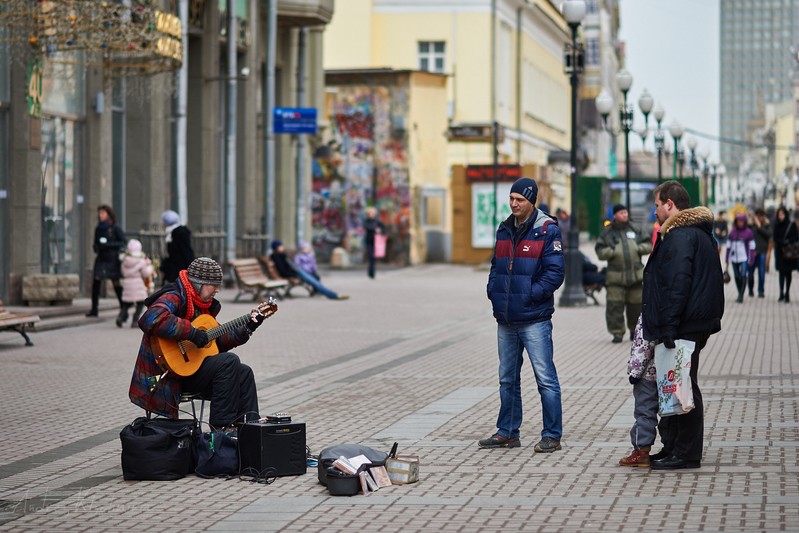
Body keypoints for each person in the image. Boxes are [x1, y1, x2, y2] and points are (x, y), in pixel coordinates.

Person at [129, 257, 268, 429]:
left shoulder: (203, 305)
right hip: (166, 375)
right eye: (213, 284)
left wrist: (248, 327)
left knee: (244, 372)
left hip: (190, 370)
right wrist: (192, 332)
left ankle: (251, 428)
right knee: (229, 361)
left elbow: (219, 341)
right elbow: (150, 318)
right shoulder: (174, 296)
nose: (217, 290)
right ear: (198, 283)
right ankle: (222, 429)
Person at [642, 180, 724, 470]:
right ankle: (673, 447)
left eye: (657, 205)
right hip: (693, 321)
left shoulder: (680, 236)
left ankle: (686, 453)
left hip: (684, 323)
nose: (655, 211)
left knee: (683, 385)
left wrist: (669, 327)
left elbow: (677, 285)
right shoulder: (698, 234)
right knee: (675, 383)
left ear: (670, 204)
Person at [480, 177, 565, 453]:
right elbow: (496, 266)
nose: (514, 204)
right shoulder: (504, 229)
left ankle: (552, 434)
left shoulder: (546, 230)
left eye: (520, 200)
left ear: (532, 202)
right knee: (507, 378)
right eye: (512, 198)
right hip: (505, 319)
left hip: (534, 319)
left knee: (545, 378)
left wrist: (530, 294)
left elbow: (555, 273)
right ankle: (507, 432)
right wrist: (493, 290)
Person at [595, 204, 652, 343]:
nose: (624, 215)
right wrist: (613, 252)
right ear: (615, 215)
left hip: (635, 275)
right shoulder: (607, 232)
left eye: (626, 212)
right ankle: (617, 333)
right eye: (621, 213)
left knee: (636, 306)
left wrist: (638, 248)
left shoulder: (636, 229)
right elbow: (600, 251)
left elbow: (648, 244)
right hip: (616, 276)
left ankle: (635, 331)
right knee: (614, 306)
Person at [618, 314, 658, 468]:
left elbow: (643, 345)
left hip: (646, 374)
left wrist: (635, 372)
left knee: (644, 412)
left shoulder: (649, 314)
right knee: (667, 413)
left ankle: (641, 451)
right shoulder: (669, 310)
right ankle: (670, 447)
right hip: (665, 371)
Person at [270, 241, 349, 300]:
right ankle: (333, 295)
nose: (282, 247)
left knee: (315, 278)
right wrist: (294, 274)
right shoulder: (277, 256)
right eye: (280, 246)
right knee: (315, 282)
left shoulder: (282, 255)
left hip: (297, 271)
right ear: (277, 247)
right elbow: (283, 270)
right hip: (296, 273)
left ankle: (330, 294)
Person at [86, 205, 126, 317]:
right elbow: (95, 242)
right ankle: (94, 309)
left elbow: (123, 242)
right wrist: (96, 247)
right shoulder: (98, 228)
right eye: (100, 213)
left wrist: (108, 245)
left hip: (112, 258)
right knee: (96, 281)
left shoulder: (115, 227)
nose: (101, 215)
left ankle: (124, 306)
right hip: (101, 258)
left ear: (109, 214)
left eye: (103, 213)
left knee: (115, 282)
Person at [117, 239, 154, 328]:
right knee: (141, 303)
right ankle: (135, 320)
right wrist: (150, 267)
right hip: (138, 284)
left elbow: (123, 272)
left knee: (126, 303)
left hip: (127, 284)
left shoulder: (125, 260)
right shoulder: (141, 261)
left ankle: (121, 317)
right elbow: (145, 273)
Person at [159, 210, 195, 285]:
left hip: (180, 268)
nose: (163, 224)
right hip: (176, 268)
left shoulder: (180, 233)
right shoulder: (173, 232)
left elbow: (186, 251)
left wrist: (191, 268)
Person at [725, 214, 755, 303]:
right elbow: (728, 245)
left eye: (741, 221)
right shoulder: (732, 232)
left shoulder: (749, 232)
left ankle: (741, 295)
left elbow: (752, 247)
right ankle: (739, 293)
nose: (740, 223)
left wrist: (751, 259)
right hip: (734, 258)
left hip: (744, 258)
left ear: (745, 222)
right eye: (738, 221)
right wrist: (726, 258)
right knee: (737, 276)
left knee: (743, 275)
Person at [773, 206, 798, 303]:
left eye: (782, 214)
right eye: (779, 214)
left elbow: (796, 237)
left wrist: (787, 242)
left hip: (789, 253)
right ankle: (781, 292)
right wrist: (780, 243)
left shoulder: (792, 225)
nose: (781, 216)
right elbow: (775, 238)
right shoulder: (777, 225)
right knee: (781, 273)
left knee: (788, 273)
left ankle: (787, 292)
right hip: (780, 252)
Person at [747, 208, 772, 298]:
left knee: (762, 272)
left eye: (761, 216)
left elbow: (769, 234)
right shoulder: (751, 225)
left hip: (762, 251)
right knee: (750, 273)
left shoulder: (766, 225)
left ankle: (761, 291)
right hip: (752, 252)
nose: (759, 218)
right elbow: (746, 234)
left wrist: (759, 227)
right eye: (758, 216)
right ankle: (750, 289)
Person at [363, 207, 386, 279]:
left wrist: (381, 232)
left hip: (376, 241)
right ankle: (370, 272)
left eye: (372, 213)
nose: (371, 215)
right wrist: (375, 229)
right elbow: (367, 227)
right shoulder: (366, 221)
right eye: (370, 213)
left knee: (374, 258)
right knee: (370, 256)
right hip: (369, 241)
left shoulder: (377, 221)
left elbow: (383, 227)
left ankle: (372, 272)